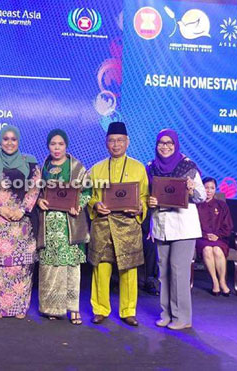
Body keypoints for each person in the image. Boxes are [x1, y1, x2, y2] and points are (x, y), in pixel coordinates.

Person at [88, 122, 149, 327]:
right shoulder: (96, 169)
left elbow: (145, 197)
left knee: (129, 270)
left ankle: (128, 310)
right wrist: (95, 205)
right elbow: (88, 196)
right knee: (101, 269)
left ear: (127, 142)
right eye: (112, 141)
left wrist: (140, 207)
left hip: (128, 225)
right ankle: (100, 309)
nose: (116, 145)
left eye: (120, 141)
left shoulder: (138, 168)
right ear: (106, 143)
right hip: (103, 225)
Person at [0, 125, 40, 319]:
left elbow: (35, 188)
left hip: (20, 224)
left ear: (18, 141)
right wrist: (0, 208)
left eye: (14, 139)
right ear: (0, 141)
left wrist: (21, 209)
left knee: (20, 268)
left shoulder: (29, 163)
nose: (10, 143)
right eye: (6, 139)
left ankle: (19, 307)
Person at [148, 129, 205, 330]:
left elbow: (201, 196)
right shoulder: (151, 168)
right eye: (161, 143)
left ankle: (182, 317)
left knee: (178, 271)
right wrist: (150, 201)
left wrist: (191, 189)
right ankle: (166, 314)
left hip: (183, 227)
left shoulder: (188, 166)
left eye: (169, 143)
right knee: (163, 272)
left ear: (176, 144)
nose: (165, 146)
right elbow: (148, 197)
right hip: (161, 225)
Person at [36, 129, 91, 325]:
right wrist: (39, 201)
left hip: (70, 225)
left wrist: (79, 205)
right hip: (49, 225)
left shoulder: (77, 167)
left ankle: (73, 308)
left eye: (60, 144)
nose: (56, 148)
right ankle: (52, 307)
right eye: (53, 144)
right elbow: (37, 192)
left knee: (71, 268)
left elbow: (87, 191)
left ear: (66, 145)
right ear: (48, 146)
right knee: (50, 268)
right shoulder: (43, 167)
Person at [195, 177, 234, 296]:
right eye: (206, 188)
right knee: (207, 249)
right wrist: (205, 235)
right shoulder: (196, 205)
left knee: (217, 250)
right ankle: (215, 281)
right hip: (201, 238)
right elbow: (192, 225)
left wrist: (218, 235)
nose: (209, 191)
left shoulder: (221, 205)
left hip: (219, 239)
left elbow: (228, 225)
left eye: (212, 188)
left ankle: (222, 281)